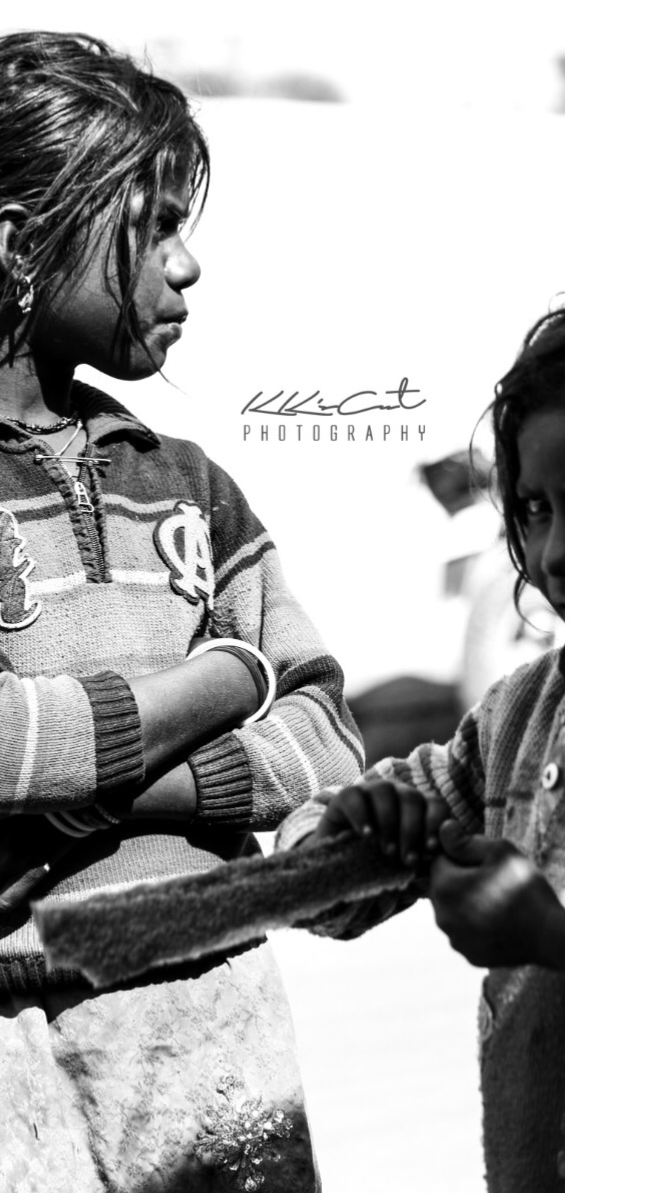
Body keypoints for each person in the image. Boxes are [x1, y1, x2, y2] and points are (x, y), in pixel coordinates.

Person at [0, 31, 365, 1192]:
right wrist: (232, 678)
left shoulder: (186, 480)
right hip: (7, 1054)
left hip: (224, 1032)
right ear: (21, 245)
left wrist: (82, 796)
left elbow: (329, 738)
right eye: (154, 226)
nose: (188, 265)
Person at [276, 307, 565, 1193]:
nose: (556, 551)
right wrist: (346, 834)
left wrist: (555, 938)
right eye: (536, 509)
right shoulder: (519, 718)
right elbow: (320, 884)